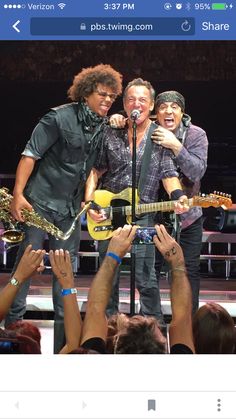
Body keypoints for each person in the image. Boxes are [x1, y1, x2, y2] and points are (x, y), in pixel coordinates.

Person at [5, 64, 123, 353]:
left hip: (69, 211)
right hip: (39, 204)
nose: (108, 100)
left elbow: (92, 169)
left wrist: (88, 200)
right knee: (26, 267)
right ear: (86, 93)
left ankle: (65, 346)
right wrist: (18, 195)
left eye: (112, 96)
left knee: (64, 276)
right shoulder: (58, 118)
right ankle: (11, 338)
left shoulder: (103, 126)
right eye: (102, 95)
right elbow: (29, 155)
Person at [85, 78, 189, 319]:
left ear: (151, 106)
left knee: (146, 280)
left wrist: (179, 196)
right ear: (124, 104)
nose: (136, 104)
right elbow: (96, 169)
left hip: (143, 217)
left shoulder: (159, 137)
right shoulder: (111, 132)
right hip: (109, 215)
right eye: (131, 99)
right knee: (107, 277)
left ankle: (153, 336)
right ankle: (104, 332)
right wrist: (90, 201)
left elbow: (169, 174)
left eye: (142, 100)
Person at [151, 90, 208, 320]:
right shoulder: (149, 131)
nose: (168, 110)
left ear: (182, 112)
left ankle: (188, 324)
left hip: (188, 219)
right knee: (150, 271)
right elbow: (128, 120)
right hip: (154, 217)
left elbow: (196, 171)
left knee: (189, 271)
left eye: (174, 107)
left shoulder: (196, 135)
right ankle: (151, 325)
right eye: (163, 106)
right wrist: (118, 119)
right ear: (156, 113)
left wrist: (176, 146)